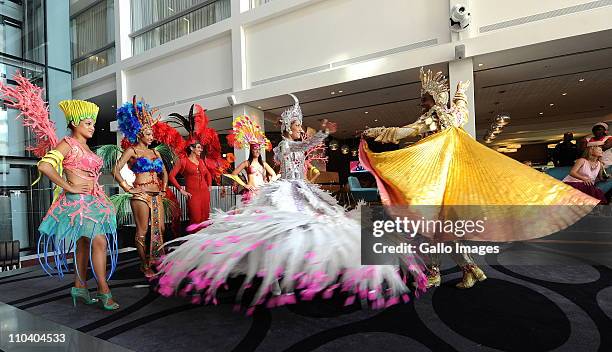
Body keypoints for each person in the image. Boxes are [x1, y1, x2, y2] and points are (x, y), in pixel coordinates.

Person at [156, 95, 426, 311]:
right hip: (286, 190)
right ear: (288, 128)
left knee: (319, 225)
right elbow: (299, 148)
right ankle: (275, 278)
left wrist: (320, 135)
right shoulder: (285, 146)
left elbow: (304, 148)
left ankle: (306, 270)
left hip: (302, 188)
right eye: (297, 125)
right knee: (280, 230)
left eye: (300, 125)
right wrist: (320, 134)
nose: (299, 129)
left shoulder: (291, 145)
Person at [361, 68, 599, 289]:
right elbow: (462, 108)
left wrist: (374, 133)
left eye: (424, 98)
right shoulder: (454, 116)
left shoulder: (434, 117)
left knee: (435, 229)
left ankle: (444, 272)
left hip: (442, 182)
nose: (421, 102)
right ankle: (468, 270)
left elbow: (406, 132)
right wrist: (461, 93)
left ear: (434, 100)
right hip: (453, 181)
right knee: (440, 229)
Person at [1, 75, 120, 309]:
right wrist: (70, 187)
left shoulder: (85, 146)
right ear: (75, 123)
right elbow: (44, 165)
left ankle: (79, 286)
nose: (92, 128)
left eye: (93, 124)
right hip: (78, 203)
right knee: (99, 242)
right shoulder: (67, 143)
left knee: (85, 244)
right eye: (88, 123)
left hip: (94, 201)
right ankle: (104, 290)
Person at [113, 98, 170, 278]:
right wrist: (127, 187)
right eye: (148, 133)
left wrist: (164, 188)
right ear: (139, 134)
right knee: (142, 231)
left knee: (160, 229)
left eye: (152, 133)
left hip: (156, 194)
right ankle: (144, 265)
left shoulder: (156, 152)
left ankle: (156, 260)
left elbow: (165, 172)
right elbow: (115, 169)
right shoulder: (132, 151)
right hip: (140, 193)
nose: (152, 137)